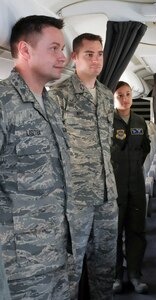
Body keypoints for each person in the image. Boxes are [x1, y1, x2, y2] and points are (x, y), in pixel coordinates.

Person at [0, 15, 72, 299]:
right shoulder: (4, 103)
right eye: (54, 48)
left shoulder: (51, 103)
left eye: (63, 49)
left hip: (57, 248)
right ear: (25, 50)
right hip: (20, 260)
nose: (63, 57)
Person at [49, 33, 118, 300]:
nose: (96, 59)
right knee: (70, 268)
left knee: (105, 265)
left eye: (99, 54)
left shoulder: (105, 94)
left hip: (106, 195)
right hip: (75, 198)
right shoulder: (59, 95)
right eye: (89, 54)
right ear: (75, 57)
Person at [111, 81, 151, 294]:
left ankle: (135, 274)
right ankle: (117, 275)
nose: (124, 99)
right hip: (115, 185)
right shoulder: (107, 120)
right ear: (113, 98)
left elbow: (145, 147)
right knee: (115, 232)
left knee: (137, 230)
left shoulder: (139, 121)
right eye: (120, 95)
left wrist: (134, 166)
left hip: (135, 182)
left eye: (127, 94)